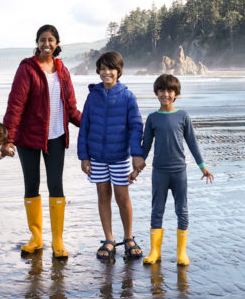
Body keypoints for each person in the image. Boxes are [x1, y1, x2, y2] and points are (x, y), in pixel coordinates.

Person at [3, 24, 82, 258]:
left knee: (56, 185)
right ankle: (36, 237)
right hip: (29, 138)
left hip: (56, 136)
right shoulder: (27, 69)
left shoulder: (62, 70)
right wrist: (9, 138)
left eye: (51, 40)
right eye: (42, 40)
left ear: (57, 44)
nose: (46, 44)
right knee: (32, 184)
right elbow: (15, 105)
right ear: (37, 42)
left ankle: (58, 240)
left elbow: (71, 107)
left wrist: (91, 124)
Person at [135, 74, 214, 266]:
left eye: (170, 91)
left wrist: (202, 166)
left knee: (182, 210)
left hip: (179, 172)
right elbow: (145, 147)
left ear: (176, 93)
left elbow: (192, 143)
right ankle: (155, 251)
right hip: (159, 172)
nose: (165, 94)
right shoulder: (153, 118)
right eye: (161, 90)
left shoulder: (183, 116)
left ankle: (181, 253)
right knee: (157, 210)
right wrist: (136, 170)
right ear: (156, 93)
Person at [77, 51, 146, 262]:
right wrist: (84, 156)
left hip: (119, 157)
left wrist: (136, 155)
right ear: (98, 71)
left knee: (122, 197)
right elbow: (85, 127)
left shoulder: (127, 96)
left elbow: (136, 127)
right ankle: (108, 238)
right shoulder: (93, 96)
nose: (107, 72)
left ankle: (128, 238)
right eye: (103, 68)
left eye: (111, 68)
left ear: (119, 71)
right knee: (103, 196)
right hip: (97, 157)